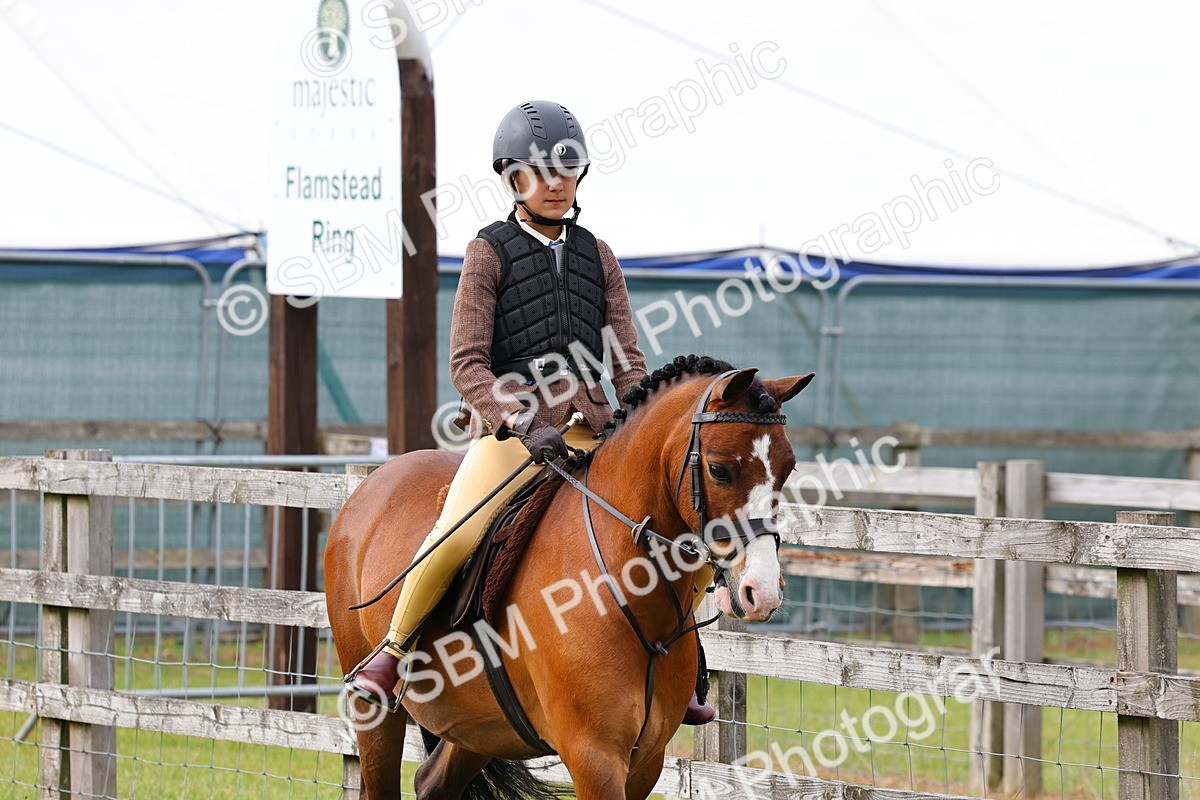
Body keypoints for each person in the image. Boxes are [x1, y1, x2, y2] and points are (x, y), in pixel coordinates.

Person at [345, 100, 715, 725]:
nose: (557, 182)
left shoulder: (599, 256)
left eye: (568, 170)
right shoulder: (488, 252)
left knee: (672, 526)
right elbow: (467, 364)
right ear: (514, 179)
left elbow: (626, 358)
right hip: (516, 434)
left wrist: (638, 416)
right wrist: (519, 421)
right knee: (458, 529)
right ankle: (393, 650)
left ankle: (682, 665)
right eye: (542, 171)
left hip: (594, 430)